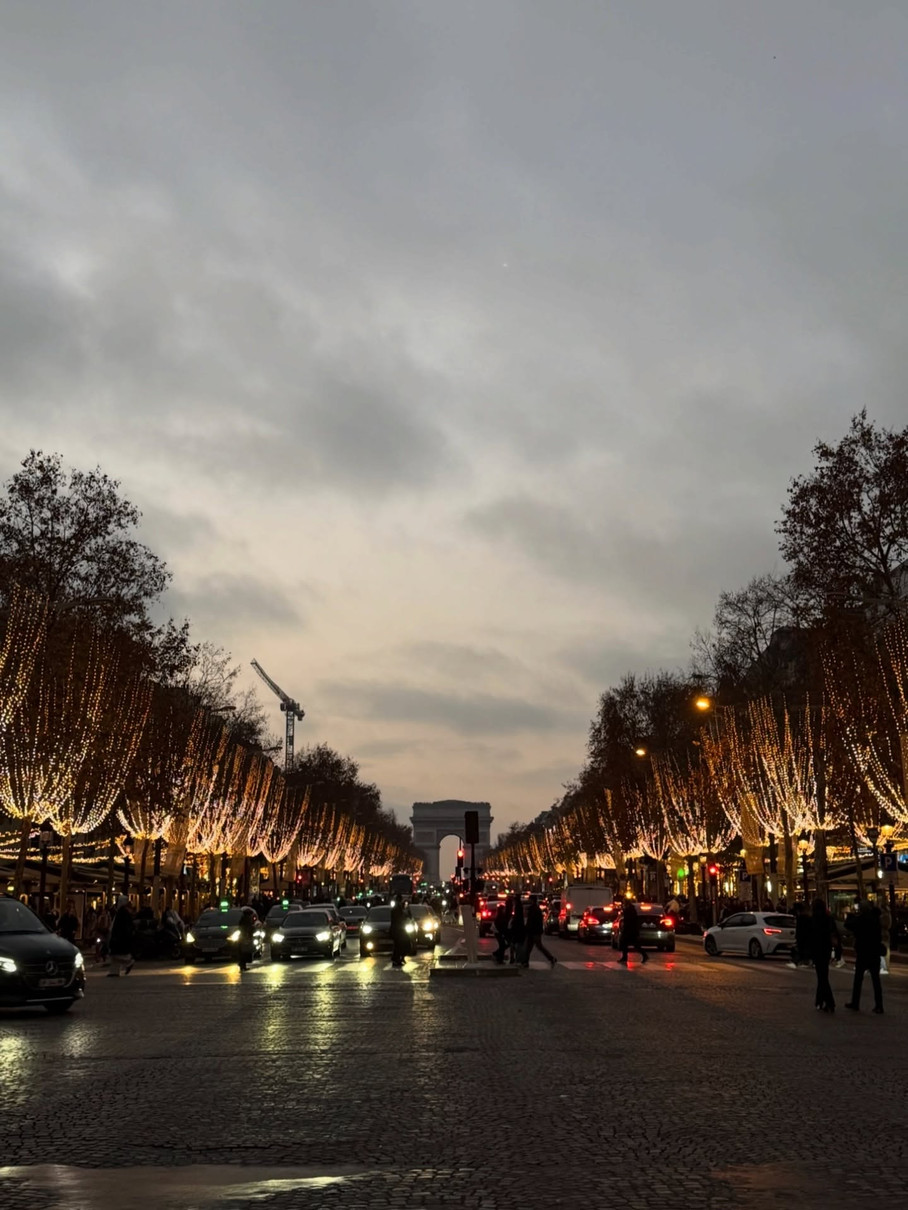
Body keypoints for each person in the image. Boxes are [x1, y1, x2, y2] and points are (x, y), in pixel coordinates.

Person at [844, 900, 883, 1014]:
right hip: (874, 951)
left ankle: (855, 1003)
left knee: (858, 979)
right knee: (876, 980)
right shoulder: (875, 919)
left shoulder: (862, 919)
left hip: (864, 951)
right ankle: (879, 1005)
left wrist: (850, 916)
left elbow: (849, 925)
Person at [810, 899, 838, 1013]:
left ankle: (829, 1002)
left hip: (817, 950)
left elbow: (811, 935)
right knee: (823, 975)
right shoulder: (829, 918)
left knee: (822, 977)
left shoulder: (813, 919)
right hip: (826, 949)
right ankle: (820, 1000)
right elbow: (834, 933)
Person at [522, 895, 556, 969]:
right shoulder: (536, 909)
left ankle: (525, 962)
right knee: (532, 947)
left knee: (532, 947)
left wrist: (527, 929)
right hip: (535, 931)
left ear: (532, 900)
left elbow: (531, 921)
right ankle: (525, 962)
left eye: (530, 900)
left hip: (533, 931)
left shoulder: (533, 910)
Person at [108, 896, 135, 977]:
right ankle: (114, 971)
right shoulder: (123, 912)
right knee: (114, 955)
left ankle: (128, 961)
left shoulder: (122, 913)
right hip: (120, 937)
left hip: (119, 937)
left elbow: (120, 927)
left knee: (115, 954)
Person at [618, 901, 648, 965]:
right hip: (631, 931)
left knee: (630, 944)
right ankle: (625, 957)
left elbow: (628, 921)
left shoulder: (629, 911)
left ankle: (644, 955)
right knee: (629, 944)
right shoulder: (631, 910)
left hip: (630, 931)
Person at [789, 901, 812, 969]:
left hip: (803, 936)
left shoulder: (801, 918)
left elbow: (800, 929)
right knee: (803, 948)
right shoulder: (806, 917)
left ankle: (801, 961)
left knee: (801, 948)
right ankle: (803, 960)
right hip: (805, 936)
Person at [507, 895, 526, 966]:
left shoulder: (517, 908)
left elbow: (516, 918)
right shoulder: (519, 907)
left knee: (514, 944)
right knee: (517, 944)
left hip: (516, 929)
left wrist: (512, 925)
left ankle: (516, 958)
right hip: (519, 928)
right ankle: (518, 958)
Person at [390, 899, 409, 968]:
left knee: (398, 945)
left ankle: (398, 958)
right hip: (398, 930)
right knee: (400, 945)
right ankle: (397, 959)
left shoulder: (397, 909)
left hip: (398, 930)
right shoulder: (397, 910)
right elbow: (399, 919)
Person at [237, 907, 256, 972]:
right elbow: (248, 929)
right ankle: (242, 965)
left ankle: (242, 965)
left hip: (243, 937)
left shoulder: (243, 920)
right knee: (244, 952)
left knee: (243, 952)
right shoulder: (247, 920)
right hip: (244, 938)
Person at [879, 899, 892, 975]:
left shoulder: (885, 915)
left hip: (883, 934)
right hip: (885, 934)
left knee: (884, 950)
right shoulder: (887, 914)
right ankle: (885, 966)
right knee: (885, 950)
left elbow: (884, 924)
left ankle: (885, 966)